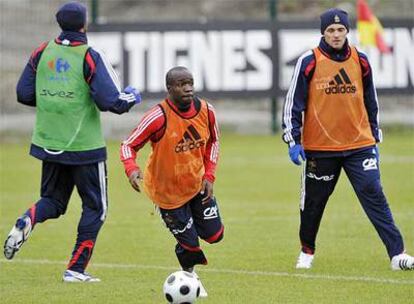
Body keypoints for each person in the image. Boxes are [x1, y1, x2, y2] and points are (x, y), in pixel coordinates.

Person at [3, 1, 142, 282]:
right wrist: (132, 95)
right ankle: (75, 270)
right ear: (84, 25)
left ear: (60, 23)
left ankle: (27, 219)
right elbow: (111, 102)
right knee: (96, 208)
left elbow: (24, 93)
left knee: (52, 201)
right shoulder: (89, 55)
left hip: (49, 141)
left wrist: (56, 101)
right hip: (84, 147)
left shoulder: (42, 51)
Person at [282, 8, 413, 271]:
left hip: (359, 145)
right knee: (313, 205)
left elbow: (370, 99)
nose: (336, 34)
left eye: (341, 30)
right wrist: (293, 139)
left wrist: (374, 133)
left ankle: (398, 254)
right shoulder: (309, 60)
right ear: (323, 32)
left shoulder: (361, 60)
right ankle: (307, 251)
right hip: (321, 148)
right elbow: (292, 103)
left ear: (347, 31)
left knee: (374, 193)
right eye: (330, 30)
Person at [120, 66, 224, 297]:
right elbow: (128, 145)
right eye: (181, 84)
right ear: (169, 89)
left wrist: (209, 175)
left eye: (190, 82)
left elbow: (214, 141)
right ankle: (190, 275)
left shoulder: (207, 110)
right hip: (167, 192)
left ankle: (185, 234)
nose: (188, 88)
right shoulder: (158, 117)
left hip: (197, 185)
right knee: (190, 244)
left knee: (215, 235)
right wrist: (132, 170)